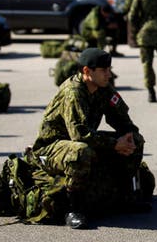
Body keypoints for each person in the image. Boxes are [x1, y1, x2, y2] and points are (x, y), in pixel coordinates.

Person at [31, 48, 147, 229]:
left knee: (137, 140)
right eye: (104, 70)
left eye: (109, 69)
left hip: (80, 140)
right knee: (80, 151)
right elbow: (79, 134)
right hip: (51, 147)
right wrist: (114, 144)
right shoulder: (73, 92)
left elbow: (122, 119)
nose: (109, 74)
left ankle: (129, 196)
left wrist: (128, 137)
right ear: (87, 71)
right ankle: (74, 209)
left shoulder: (103, 88)